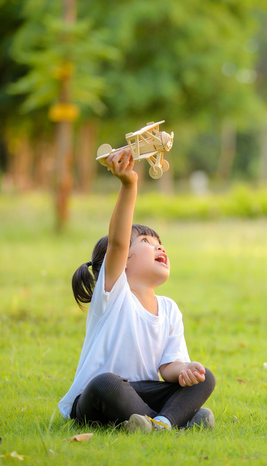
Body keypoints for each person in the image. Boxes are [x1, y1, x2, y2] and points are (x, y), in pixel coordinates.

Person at [58, 148, 215, 433]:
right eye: (145, 241)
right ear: (123, 261)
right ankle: (178, 420)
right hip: (97, 400)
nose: (158, 246)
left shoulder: (169, 309)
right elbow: (117, 242)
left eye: (159, 242)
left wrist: (186, 372)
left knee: (207, 379)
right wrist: (129, 184)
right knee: (107, 383)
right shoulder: (113, 295)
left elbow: (168, 368)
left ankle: (162, 423)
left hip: (140, 394)